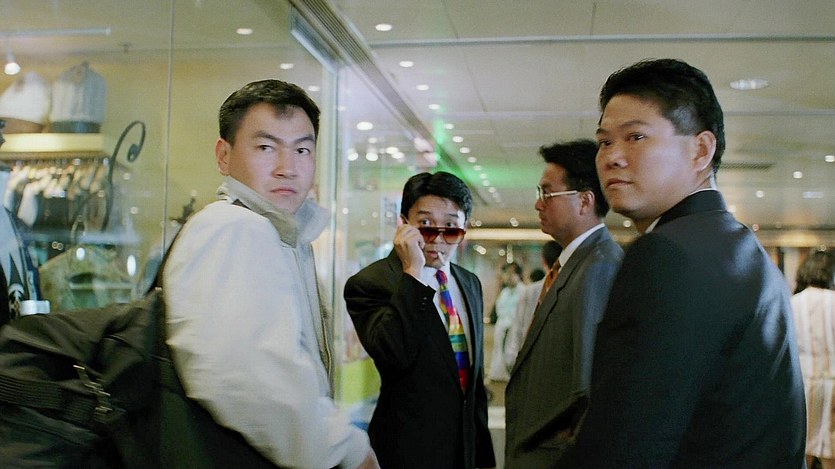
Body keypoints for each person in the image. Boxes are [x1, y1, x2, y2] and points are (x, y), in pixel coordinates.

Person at [557, 58, 806, 467]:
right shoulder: (741, 247)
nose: (612, 157)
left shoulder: (665, 255)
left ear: (700, 150)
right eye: (604, 142)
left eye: (636, 136)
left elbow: (627, 443)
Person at [163, 79, 378, 469]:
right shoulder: (234, 227)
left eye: (302, 150)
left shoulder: (284, 236)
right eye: (266, 148)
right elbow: (252, 382)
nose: (287, 169)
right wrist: (347, 449)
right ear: (224, 155)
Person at [344, 171, 496, 469]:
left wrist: (482, 456)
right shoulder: (372, 283)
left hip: (463, 451)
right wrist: (412, 274)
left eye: (451, 228)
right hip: (406, 451)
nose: (438, 239)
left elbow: (472, 382)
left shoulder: (469, 282)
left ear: (465, 228)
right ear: (403, 223)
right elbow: (393, 355)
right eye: (425, 226)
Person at [504, 139, 623, 469]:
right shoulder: (573, 264)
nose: (538, 204)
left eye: (547, 193)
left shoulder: (599, 266)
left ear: (584, 201)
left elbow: (589, 385)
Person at [792, 249, 835, 469]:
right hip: (833, 383)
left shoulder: (792, 303)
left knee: (803, 448)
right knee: (831, 449)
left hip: (803, 385)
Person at [503, 240, 561, 371]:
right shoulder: (574, 288)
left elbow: (518, 327)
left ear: (543, 261)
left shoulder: (530, 291)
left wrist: (511, 359)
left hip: (529, 359)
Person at [487, 261, 523, 382]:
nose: (508, 277)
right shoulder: (505, 292)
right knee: (499, 352)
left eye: (511, 274)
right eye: (506, 274)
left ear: (518, 275)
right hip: (502, 327)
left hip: (514, 329)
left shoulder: (524, 291)